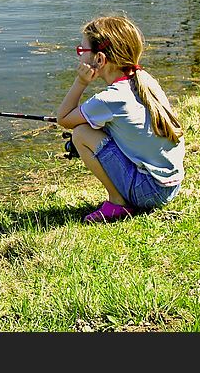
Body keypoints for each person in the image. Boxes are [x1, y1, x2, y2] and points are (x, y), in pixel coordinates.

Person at [56, 15, 185, 223]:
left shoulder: (110, 99)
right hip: (171, 184)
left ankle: (118, 203)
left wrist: (80, 82)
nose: (79, 56)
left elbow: (63, 118)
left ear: (99, 59)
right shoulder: (144, 80)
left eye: (82, 51)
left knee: (81, 134)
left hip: (149, 191)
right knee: (101, 127)